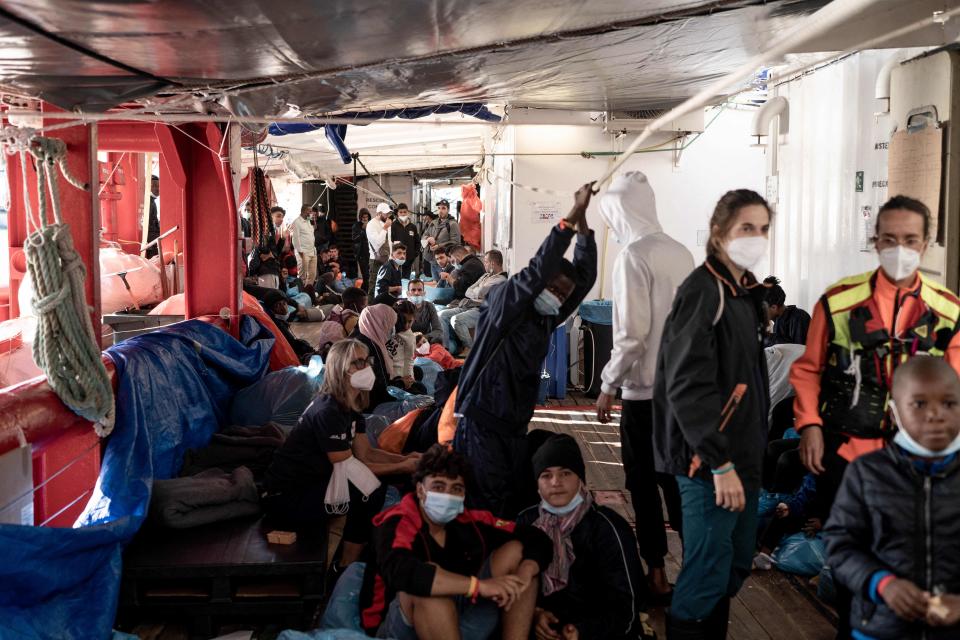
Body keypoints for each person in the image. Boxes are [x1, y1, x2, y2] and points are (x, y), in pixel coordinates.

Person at [790, 196, 960, 621]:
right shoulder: (838, 301)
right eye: (889, 238)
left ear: (925, 244)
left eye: (910, 239)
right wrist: (809, 424)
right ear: (875, 240)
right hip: (847, 453)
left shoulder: (948, 311)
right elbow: (808, 370)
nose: (899, 248)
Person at [652, 189, 772, 638]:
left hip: (742, 456)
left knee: (734, 564)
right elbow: (687, 384)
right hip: (707, 461)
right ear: (719, 232)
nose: (756, 237)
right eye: (746, 228)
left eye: (762, 228)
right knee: (706, 571)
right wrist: (718, 461)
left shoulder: (744, 291)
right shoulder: (704, 291)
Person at [454, 185, 597, 518]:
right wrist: (571, 218)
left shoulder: (546, 317)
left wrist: (586, 227)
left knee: (510, 498)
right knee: (487, 502)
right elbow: (538, 269)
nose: (560, 297)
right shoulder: (507, 306)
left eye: (565, 294)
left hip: (513, 426)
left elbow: (584, 280)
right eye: (555, 288)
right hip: (480, 423)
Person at [593, 172, 694, 600]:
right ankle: (696, 568)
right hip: (680, 391)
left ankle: (656, 572)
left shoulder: (632, 255)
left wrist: (608, 383)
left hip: (644, 394)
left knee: (643, 484)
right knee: (677, 482)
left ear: (619, 211)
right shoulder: (681, 251)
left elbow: (632, 332)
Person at [824, 356, 960, 639]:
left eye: (949, 403)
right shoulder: (867, 473)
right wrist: (883, 584)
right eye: (919, 404)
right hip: (881, 627)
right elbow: (840, 546)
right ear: (894, 412)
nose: (935, 414)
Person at [361, 444, 553, 640]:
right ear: (420, 490)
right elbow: (402, 571)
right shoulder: (396, 523)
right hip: (402, 628)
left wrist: (524, 573)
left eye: (456, 489)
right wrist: (479, 587)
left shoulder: (469, 521)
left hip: (459, 615)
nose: (447, 495)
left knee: (518, 552)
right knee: (429, 590)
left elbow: (536, 537)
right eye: (438, 487)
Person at [263, 340, 420, 568]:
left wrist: (407, 459)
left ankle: (360, 547)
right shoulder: (328, 411)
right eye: (358, 362)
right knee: (368, 490)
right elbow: (349, 468)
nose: (366, 367)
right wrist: (404, 467)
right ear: (340, 368)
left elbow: (367, 454)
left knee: (376, 482)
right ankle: (346, 564)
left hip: (316, 484)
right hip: (286, 498)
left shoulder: (350, 408)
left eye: (367, 361)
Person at [516, 434, 650, 640]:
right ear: (537, 484)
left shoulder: (608, 528)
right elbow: (514, 588)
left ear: (581, 479)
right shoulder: (527, 521)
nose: (555, 482)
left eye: (566, 473)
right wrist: (535, 615)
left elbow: (628, 608)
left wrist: (582, 632)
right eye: (546, 475)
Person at [450, 250, 509, 356]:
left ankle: (471, 350)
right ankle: (447, 348)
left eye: (485, 262)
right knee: (443, 315)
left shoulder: (500, 280)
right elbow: (468, 290)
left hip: (483, 310)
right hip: (470, 304)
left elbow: (480, 291)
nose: (484, 264)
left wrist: (476, 291)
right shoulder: (486, 276)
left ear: (492, 263)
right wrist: (476, 292)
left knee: (457, 320)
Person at [437, 246, 486, 351]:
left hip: (471, 304)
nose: (454, 263)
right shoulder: (473, 263)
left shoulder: (469, 266)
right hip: (467, 302)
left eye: (453, 260)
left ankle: (451, 349)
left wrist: (449, 278)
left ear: (458, 256)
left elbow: (461, 289)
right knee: (441, 313)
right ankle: (446, 348)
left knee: (444, 316)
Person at [355, 304, 401, 411]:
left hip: (370, 399)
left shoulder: (364, 338)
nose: (392, 329)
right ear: (380, 323)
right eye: (390, 324)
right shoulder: (371, 348)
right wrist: (402, 384)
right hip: (372, 405)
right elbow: (381, 390)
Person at [763, 276, 811, 347]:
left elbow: (798, 351)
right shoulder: (778, 321)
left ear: (774, 307)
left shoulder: (799, 318)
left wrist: (770, 338)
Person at [422, 199, 462, 283]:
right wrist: (428, 238)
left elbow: (456, 242)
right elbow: (424, 236)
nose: (440, 211)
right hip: (433, 260)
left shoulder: (453, 224)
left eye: (443, 208)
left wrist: (438, 246)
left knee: (445, 284)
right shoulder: (433, 222)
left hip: (445, 262)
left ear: (448, 209)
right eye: (439, 208)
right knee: (435, 283)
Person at [386, 300, 419, 390]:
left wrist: (409, 380)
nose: (406, 325)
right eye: (402, 321)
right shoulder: (387, 328)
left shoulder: (410, 336)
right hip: (386, 375)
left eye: (410, 321)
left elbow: (409, 359)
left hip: (399, 376)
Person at [367, 203, 394, 298]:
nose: (388, 216)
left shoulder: (386, 224)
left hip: (386, 258)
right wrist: (385, 228)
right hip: (375, 260)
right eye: (385, 213)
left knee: (385, 285)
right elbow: (377, 243)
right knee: (373, 286)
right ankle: (370, 308)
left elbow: (389, 242)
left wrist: (391, 256)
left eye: (389, 213)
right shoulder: (371, 225)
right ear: (379, 213)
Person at [290, 204, 318, 287]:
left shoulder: (309, 220)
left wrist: (313, 220)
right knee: (303, 276)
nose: (311, 213)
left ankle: (308, 292)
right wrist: (300, 253)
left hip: (312, 252)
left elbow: (314, 228)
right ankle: (301, 292)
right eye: (309, 211)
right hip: (303, 253)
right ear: (304, 211)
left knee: (312, 275)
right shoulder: (297, 222)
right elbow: (295, 239)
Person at [408, 279, 443, 343]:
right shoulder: (402, 307)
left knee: (439, 339)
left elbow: (438, 330)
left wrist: (423, 337)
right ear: (408, 293)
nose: (416, 293)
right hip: (408, 341)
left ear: (424, 293)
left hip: (425, 340)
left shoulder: (429, 306)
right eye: (413, 290)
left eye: (419, 290)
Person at [392, 203, 420, 279]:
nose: (403, 214)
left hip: (409, 258)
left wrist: (415, 253)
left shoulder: (413, 227)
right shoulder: (393, 226)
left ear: (407, 212)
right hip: (396, 258)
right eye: (400, 212)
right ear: (397, 213)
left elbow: (417, 241)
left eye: (404, 212)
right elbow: (390, 240)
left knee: (406, 279)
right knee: (395, 279)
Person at [353, 208, 371, 284]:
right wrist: (363, 230)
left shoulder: (371, 225)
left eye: (366, 217)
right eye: (363, 217)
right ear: (360, 217)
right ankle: (365, 292)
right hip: (361, 254)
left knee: (371, 275)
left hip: (371, 254)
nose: (365, 219)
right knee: (365, 276)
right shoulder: (356, 225)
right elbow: (354, 239)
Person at [145, 174, 160, 259]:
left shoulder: (152, 202)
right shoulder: (148, 202)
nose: (157, 188)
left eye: (158, 185)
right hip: (151, 242)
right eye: (153, 185)